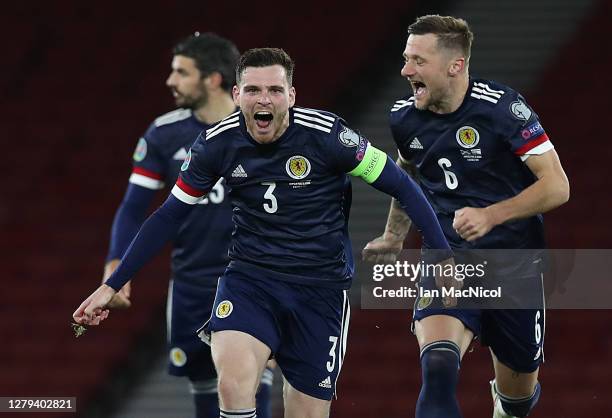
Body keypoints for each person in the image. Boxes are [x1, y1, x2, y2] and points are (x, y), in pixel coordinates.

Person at [74, 47, 453, 418]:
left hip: (319, 291)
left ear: (291, 95)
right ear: (237, 95)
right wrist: (112, 283)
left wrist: (441, 255)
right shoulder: (215, 144)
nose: (264, 100)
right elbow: (168, 216)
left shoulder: (328, 137)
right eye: (253, 90)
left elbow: (402, 185)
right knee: (232, 385)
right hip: (250, 280)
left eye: (274, 90)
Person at [363, 15, 570, 418]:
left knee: (517, 399)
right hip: (449, 258)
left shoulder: (503, 110)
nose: (406, 71)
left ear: (455, 66)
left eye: (418, 61)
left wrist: (493, 215)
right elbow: (407, 173)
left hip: (515, 264)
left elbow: (558, 186)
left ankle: (506, 404)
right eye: (406, 59)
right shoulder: (404, 117)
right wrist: (394, 236)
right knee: (437, 367)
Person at [100, 33, 273, 418]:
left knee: (250, 382)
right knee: (206, 393)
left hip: (255, 278)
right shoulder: (164, 134)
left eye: (181, 72)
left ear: (212, 79)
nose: (170, 81)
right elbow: (133, 209)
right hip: (192, 283)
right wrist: (116, 264)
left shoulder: (264, 128)